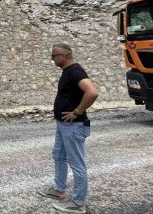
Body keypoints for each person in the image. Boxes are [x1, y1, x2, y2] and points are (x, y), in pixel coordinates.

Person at [38, 43, 99, 214]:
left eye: (54, 56)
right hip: (64, 125)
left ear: (63, 56)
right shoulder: (69, 71)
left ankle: (78, 203)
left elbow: (92, 92)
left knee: (77, 164)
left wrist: (77, 112)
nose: (52, 59)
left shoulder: (75, 71)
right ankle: (59, 190)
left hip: (73, 125)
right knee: (58, 155)